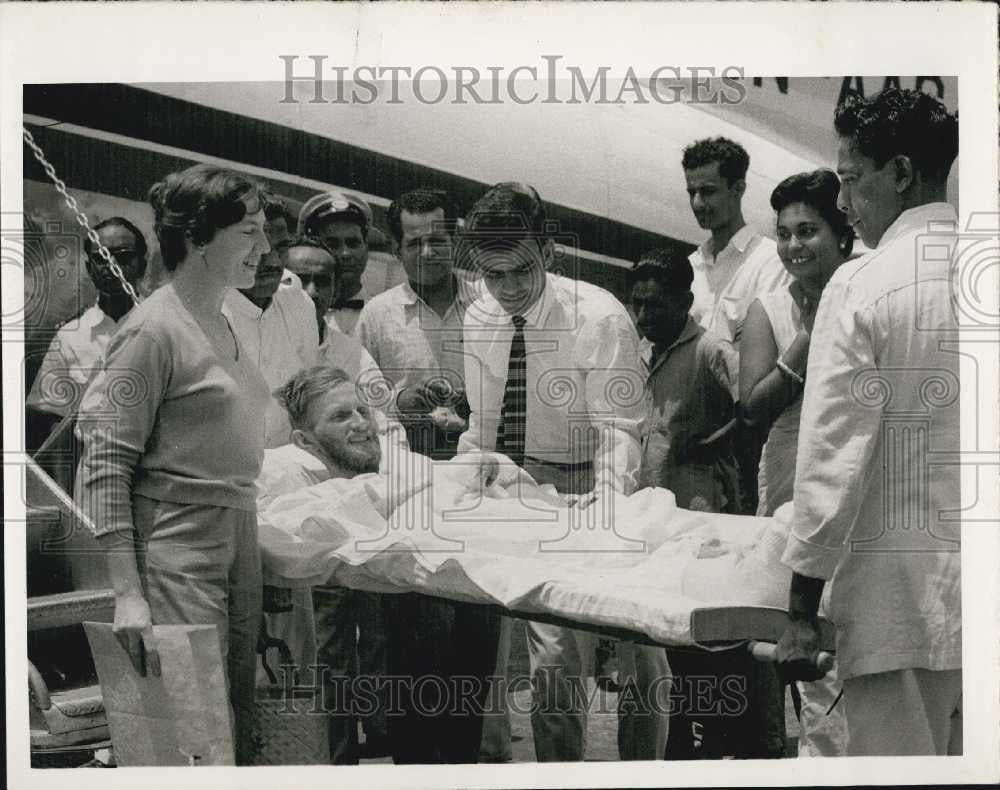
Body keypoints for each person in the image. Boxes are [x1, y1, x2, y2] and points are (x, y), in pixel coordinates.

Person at [776, 88, 961, 756]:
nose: (845, 202)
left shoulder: (863, 284)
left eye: (852, 180)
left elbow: (831, 457)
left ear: (903, 175)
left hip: (897, 612)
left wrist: (800, 610)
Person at [458, 182, 668, 762]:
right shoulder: (480, 316)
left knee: (641, 649)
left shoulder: (599, 316)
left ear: (548, 252)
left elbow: (618, 431)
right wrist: (455, 481)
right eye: (492, 275)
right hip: (531, 490)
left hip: (611, 483)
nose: (506, 290)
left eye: (520, 272)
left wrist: (606, 516)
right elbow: (482, 422)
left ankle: (645, 772)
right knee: (553, 665)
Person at [76, 164, 271, 764]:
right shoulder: (153, 330)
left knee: (235, 722)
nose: (265, 248)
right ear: (198, 239)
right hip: (178, 547)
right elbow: (104, 463)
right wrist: (127, 594)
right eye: (249, 233)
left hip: (237, 535)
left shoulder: (228, 319)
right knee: (196, 736)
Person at [268, 365, 502, 764]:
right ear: (303, 440)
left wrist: (477, 469)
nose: (360, 424)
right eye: (341, 417)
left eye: (362, 411)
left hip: (407, 606)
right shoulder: (288, 473)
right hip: (328, 589)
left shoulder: (399, 465)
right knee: (331, 676)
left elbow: (451, 477)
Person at [739, 169, 854, 757]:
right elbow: (751, 407)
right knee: (794, 637)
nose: (792, 246)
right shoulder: (771, 306)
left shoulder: (864, 291)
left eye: (808, 230)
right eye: (783, 233)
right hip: (786, 479)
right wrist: (806, 338)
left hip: (852, 481)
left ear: (843, 235)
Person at [357, 187, 473, 460]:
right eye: (414, 243)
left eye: (437, 240)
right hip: (405, 460)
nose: (427, 252)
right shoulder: (376, 315)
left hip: (477, 456)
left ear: (454, 241)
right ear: (397, 249)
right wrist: (398, 402)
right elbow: (356, 398)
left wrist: (478, 402)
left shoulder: (489, 309)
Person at [27, 217, 148, 441]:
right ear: (89, 268)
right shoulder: (70, 338)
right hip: (93, 467)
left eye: (123, 256)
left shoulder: (164, 325)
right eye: (101, 258)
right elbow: (52, 420)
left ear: (142, 264)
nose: (111, 266)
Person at [223, 193, 320, 448]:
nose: (274, 261)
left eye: (281, 247)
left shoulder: (300, 305)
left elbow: (305, 398)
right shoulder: (201, 311)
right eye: (258, 247)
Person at [682, 136, 791, 349]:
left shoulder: (771, 263)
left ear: (738, 189)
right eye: (692, 192)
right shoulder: (689, 267)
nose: (697, 203)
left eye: (708, 191)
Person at [298, 191, 372, 336]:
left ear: (366, 248)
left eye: (353, 243)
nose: (345, 253)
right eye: (332, 244)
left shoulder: (382, 315)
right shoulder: (290, 311)